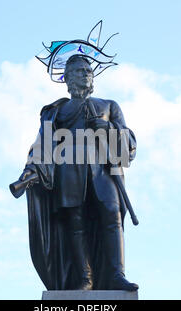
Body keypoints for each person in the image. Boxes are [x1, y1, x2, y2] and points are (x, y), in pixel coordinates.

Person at [18, 55, 139, 291]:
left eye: (88, 70)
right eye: (78, 71)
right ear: (68, 78)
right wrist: (30, 171)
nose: (85, 74)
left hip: (102, 172)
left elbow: (129, 143)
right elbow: (42, 146)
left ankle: (116, 274)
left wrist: (108, 128)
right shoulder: (57, 112)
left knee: (112, 216)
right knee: (75, 222)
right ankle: (85, 278)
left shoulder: (108, 106)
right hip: (69, 172)